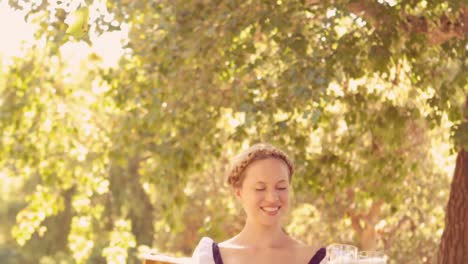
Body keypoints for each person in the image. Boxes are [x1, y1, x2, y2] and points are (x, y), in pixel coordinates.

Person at [192, 143, 326, 264]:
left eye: (281, 187)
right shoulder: (210, 258)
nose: (272, 198)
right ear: (239, 193)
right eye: (260, 188)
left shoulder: (319, 259)